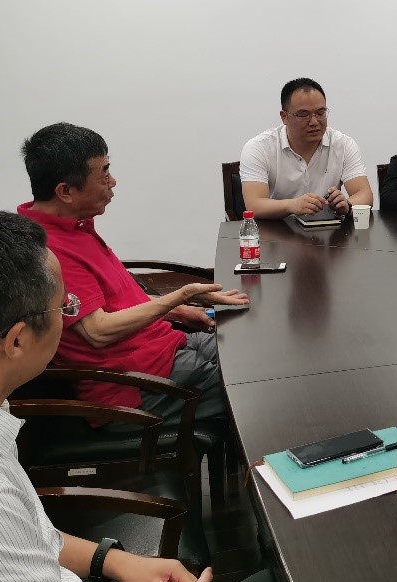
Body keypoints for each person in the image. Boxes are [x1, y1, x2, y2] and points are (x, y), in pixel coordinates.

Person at [0, 209, 298, 582]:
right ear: (16, 341)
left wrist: (113, 560)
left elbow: (27, 538)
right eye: (63, 309)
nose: (71, 320)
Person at [20, 123, 247, 425]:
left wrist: (178, 310)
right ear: (66, 191)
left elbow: (116, 302)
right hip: (137, 384)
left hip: (164, 347)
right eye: (104, 173)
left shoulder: (76, 225)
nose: (113, 181)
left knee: (253, 349)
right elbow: (97, 331)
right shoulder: (49, 250)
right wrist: (182, 295)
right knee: (260, 388)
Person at [240, 77, 373, 220]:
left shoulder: (343, 144)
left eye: (320, 113)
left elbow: (365, 195)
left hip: (329, 230)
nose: (314, 122)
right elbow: (254, 205)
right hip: (277, 230)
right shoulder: (259, 148)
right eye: (303, 114)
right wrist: (292, 205)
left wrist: (347, 204)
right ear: (284, 117)